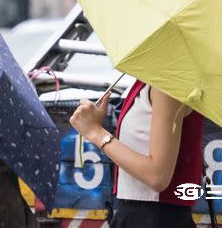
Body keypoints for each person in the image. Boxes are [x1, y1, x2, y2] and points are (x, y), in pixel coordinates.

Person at [70, 80, 204, 228]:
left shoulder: (166, 83)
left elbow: (157, 176)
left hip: (154, 217)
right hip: (137, 213)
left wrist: (96, 132)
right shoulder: (148, 81)